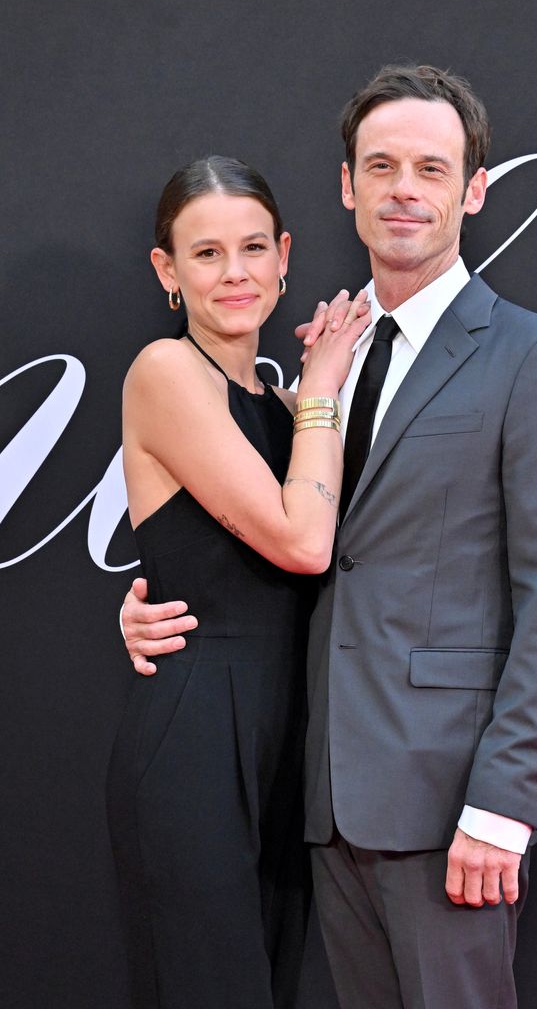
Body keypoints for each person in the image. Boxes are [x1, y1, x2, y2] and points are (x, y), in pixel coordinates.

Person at [122, 65, 537, 1009]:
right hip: (317, 796)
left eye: (432, 167)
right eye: (381, 166)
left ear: (473, 190)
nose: (404, 190)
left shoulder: (534, 355)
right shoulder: (315, 368)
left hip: (446, 802)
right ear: (348, 187)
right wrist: (156, 600)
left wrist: (505, 807)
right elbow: (275, 538)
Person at [106, 154, 370, 1009]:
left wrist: (310, 399)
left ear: (286, 256)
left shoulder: (283, 406)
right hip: (195, 737)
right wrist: (326, 385)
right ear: (167, 270)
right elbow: (301, 541)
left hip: (288, 737)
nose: (236, 273)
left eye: (253, 248)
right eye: (207, 253)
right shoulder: (166, 372)